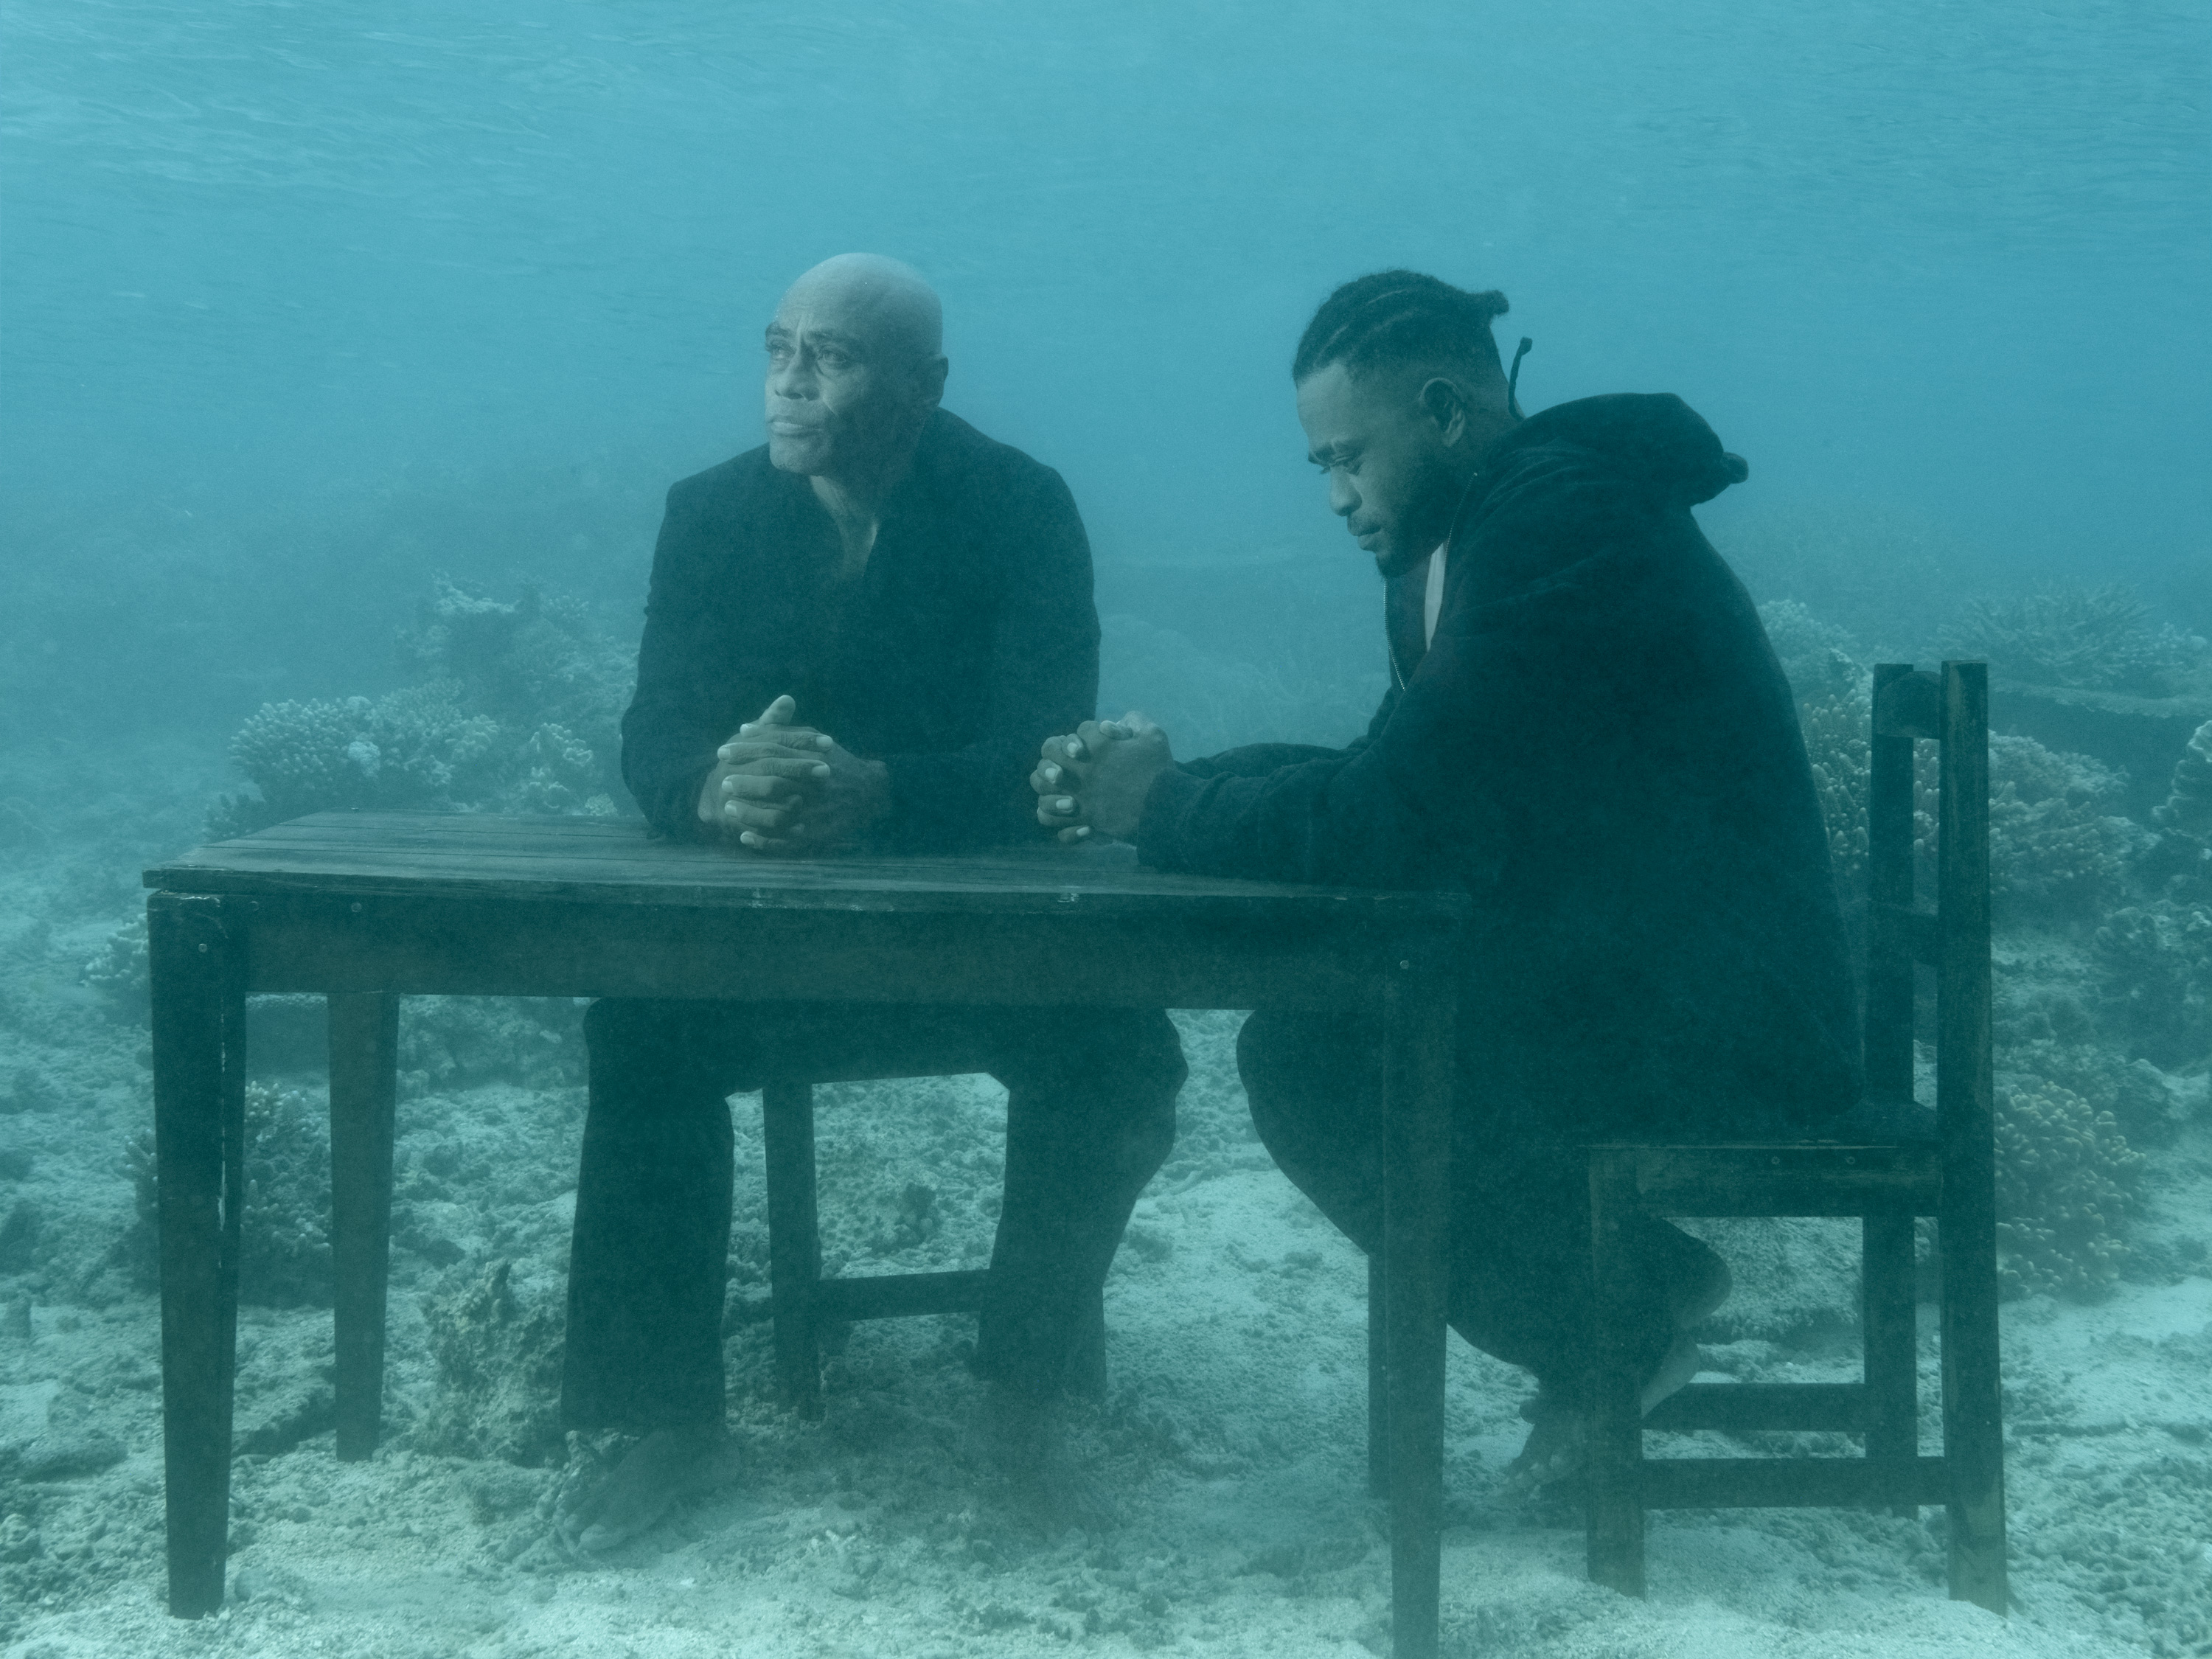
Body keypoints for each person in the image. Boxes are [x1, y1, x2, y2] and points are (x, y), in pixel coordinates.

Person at [1032, 270, 1860, 1487]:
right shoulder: (1485, 530)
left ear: (1444, 408)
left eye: (1348, 456)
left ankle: (1621, 1322)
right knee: (1323, 1040)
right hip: (1640, 974)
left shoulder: (1556, 524)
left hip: (1723, 1033)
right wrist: (1172, 781)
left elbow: (1395, 821)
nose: (1334, 495)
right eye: (1320, 465)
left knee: (1312, 1058)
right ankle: (1627, 1307)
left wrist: (1157, 803)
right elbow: (1400, 775)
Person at [557, 254, 1186, 1551]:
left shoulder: (1022, 505)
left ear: (926, 385)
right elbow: (654, 727)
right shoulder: (709, 510)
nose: (790, 379)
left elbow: (1052, 746)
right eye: (777, 346)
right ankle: (666, 1418)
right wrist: (713, 789)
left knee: (1123, 1057)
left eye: (831, 356)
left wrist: (883, 789)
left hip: (985, 948)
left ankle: (1021, 1391)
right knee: (637, 1029)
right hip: (774, 957)